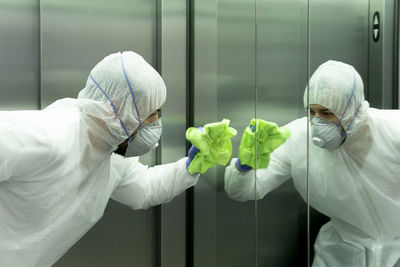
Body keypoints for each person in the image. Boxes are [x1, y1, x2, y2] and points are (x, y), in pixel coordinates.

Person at [0, 51, 201, 267]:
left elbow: (144, 189)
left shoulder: (111, 154)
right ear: (117, 106)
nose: (155, 122)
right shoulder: (51, 136)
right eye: (151, 113)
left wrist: (191, 166)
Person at [224, 60, 400, 267]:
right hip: (342, 252)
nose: (317, 122)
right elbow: (243, 191)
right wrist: (244, 167)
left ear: (353, 108)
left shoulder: (392, 129)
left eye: (327, 113)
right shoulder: (297, 138)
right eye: (311, 112)